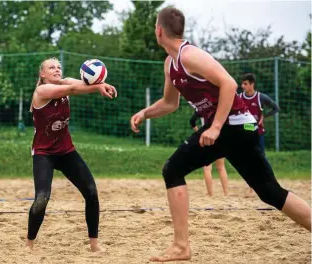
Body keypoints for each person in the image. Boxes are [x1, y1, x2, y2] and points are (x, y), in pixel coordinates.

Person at [130, 7, 311, 262]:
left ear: (159, 31)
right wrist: (145, 113)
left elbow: (229, 83)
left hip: (233, 126)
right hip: (237, 128)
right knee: (269, 191)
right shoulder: (170, 63)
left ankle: (181, 247)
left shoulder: (190, 55)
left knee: (173, 169)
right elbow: (170, 103)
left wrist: (214, 127)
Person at [26, 57, 117, 252]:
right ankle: (29, 244)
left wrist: (102, 83)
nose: (57, 70)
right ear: (42, 74)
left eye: (59, 67)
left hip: (66, 150)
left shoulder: (65, 81)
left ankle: (94, 245)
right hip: (44, 153)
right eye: (51, 67)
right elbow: (73, 90)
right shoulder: (42, 91)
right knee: (42, 199)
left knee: (91, 192)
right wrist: (97, 87)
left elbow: (80, 84)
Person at [240, 73, 280, 197]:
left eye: (245, 84)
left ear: (252, 84)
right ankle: (252, 188)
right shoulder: (239, 97)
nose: (243, 86)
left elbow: (276, 108)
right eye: (242, 83)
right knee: (247, 160)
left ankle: (271, 184)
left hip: (258, 132)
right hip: (244, 133)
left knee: (261, 159)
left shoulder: (261, 97)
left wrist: (264, 116)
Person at [190, 111, 229, 197]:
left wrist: (199, 133)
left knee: (207, 168)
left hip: (206, 137)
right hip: (218, 136)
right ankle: (226, 193)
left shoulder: (202, 107)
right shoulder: (218, 107)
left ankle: (210, 193)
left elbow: (192, 121)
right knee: (221, 167)